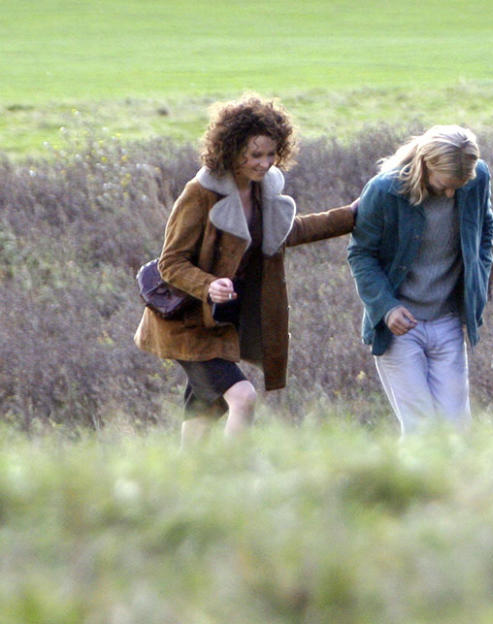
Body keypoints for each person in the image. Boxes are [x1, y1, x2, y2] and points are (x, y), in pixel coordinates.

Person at [134, 96, 356, 446]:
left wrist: (354, 215)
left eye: (271, 154)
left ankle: (185, 477)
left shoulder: (260, 190)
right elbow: (170, 263)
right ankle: (230, 475)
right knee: (242, 397)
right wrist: (209, 285)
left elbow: (288, 231)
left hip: (221, 323)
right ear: (230, 148)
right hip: (186, 324)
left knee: (207, 406)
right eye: (255, 155)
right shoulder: (200, 194)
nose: (265, 163)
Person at [347, 126, 493, 435]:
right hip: (400, 326)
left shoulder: (477, 177)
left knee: (458, 430)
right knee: (421, 429)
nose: (452, 193)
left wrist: (476, 282)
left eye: (460, 185)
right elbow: (361, 255)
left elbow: (485, 230)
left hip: (448, 320)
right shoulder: (385, 191)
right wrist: (387, 308)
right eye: (445, 185)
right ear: (425, 164)